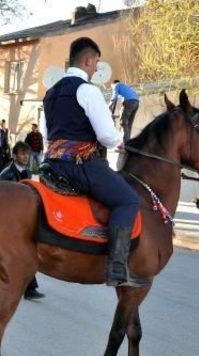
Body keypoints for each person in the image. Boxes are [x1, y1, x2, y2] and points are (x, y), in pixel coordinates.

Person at [42, 37, 138, 286]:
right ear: (87, 60)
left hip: (51, 164)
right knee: (128, 200)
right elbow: (106, 137)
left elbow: (47, 133)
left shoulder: (50, 93)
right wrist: (120, 138)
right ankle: (117, 266)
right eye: (95, 62)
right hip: (81, 165)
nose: (96, 68)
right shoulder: (87, 90)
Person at [0, 142, 45, 300]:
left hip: (21, 218)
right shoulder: (6, 174)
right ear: (14, 155)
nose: (25, 157)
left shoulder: (28, 173)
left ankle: (28, 288)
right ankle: (26, 288)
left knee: (26, 252)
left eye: (27, 154)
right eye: (22, 154)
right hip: (5, 218)